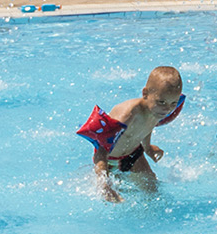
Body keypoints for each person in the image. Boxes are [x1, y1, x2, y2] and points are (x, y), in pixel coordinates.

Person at [78, 66, 186, 200]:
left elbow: (147, 127)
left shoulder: (155, 110)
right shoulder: (128, 115)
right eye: (162, 102)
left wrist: (147, 148)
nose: (167, 109)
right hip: (110, 159)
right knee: (112, 196)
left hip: (132, 153)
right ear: (145, 94)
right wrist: (103, 183)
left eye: (173, 103)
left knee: (152, 188)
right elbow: (101, 150)